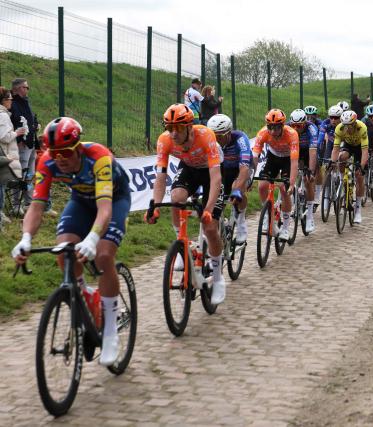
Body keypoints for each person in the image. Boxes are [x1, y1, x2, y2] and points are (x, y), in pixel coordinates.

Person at [11, 117, 131, 366]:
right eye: (55, 153)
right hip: (80, 201)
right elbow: (36, 207)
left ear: (77, 148)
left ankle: (110, 331)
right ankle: (86, 294)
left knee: (103, 255)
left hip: (114, 200)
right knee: (63, 250)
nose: (60, 158)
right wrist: (25, 239)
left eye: (65, 152)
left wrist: (93, 238)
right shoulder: (48, 161)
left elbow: (105, 209)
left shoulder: (98, 157)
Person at [145, 104, 227, 304]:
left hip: (210, 171)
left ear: (189, 127)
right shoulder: (164, 140)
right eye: (169, 127)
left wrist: (208, 210)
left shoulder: (206, 136)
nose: (173, 133)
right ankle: (181, 245)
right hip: (189, 168)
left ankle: (217, 278)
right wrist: (155, 205)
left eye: (178, 128)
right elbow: (161, 176)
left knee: (210, 227)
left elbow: (216, 179)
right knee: (176, 197)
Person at [252, 109, 299, 240]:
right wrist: (249, 178)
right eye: (270, 127)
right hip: (273, 157)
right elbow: (255, 158)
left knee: (284, 189)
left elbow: (294, 162)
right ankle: (268, 216)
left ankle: (285, 227)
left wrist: (292, 183)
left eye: (277, 128)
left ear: (283, 126)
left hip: (287, 160)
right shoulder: (262, 133)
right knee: (262, 186)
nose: (273, 131)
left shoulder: (292, 134)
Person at [206, 114, 252, 244]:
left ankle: (241, 222)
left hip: (241, 169)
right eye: (213, 136)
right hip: (224, 170)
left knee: (237, 188)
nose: (217, 140)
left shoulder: (240, 139)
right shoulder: (210, 143)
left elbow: (244, 168)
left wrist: (237, 189)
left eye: (219, 137)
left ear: (228, 133)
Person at [330, 110, 368, 224]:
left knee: (359, 176)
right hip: (349, 145)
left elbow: (365, 151)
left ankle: (358, 209)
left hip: (360, 148)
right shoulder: (339, 129)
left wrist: (361, 167)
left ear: (355, 123)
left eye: (350, 125)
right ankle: (342, 180)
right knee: (341, 158)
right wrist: (332, 162)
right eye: (345, 125)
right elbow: (336, 148)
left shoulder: (362, 127)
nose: (348, 128)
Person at [9, 78, 39, 216]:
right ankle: (16, 204)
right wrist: (19, 139)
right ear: (16, 89)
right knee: (19, 174)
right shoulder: (13, 104)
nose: (27, 89)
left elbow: (29, 119)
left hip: (31, 143)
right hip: (22, 144)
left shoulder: (25, 102)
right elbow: (12, 124)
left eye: (27, 87)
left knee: (29, 174)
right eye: (24, 87)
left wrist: (35, 125)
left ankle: (28, 202)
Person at [287, 108, 319, 233]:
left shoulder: (311, 129)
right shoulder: (288, 128)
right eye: (293, 125)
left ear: (305, 123)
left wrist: (311, 171)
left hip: (307, 152)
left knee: (308, 180)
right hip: (293, 151)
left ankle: (310, 216)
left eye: (299, 126)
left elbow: (313, 152)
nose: (296, 128)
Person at [0, 86, 24, 225]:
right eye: (10, 99)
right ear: (4, 101)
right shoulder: (3, 115)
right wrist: (17, 133)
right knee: (2, 185)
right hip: (5, 154)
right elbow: (4, 137)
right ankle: (1, 214)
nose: (11, 101)